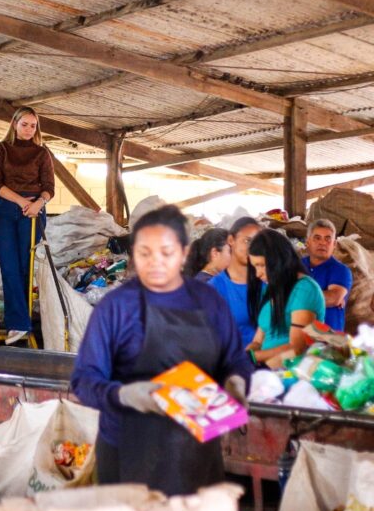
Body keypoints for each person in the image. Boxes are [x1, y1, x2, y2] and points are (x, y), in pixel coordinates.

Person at [71, 205, 252, 496]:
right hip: (128, 453)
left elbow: (235, 359)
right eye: (145, 253)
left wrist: (238, 382)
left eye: (165, 252)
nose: (155, 262)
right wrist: (122, 395)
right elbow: (84, 379)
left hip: (197, 452)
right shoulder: (115, 308)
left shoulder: (208, 301)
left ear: (183, 252)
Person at [0, 106, 54, 345]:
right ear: (14, 124)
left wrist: (38, 203)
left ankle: (19, 322)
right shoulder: (1, 149)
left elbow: (49, 186)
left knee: (25, 268)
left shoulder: (42, 153)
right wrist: (20, 201)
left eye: (33, 125)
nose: (28, 129)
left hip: (34, 211)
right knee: (9, 266)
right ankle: (19, 324)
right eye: (24, 124)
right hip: (7, 208)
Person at [247, 229, 326, 368]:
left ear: (278, 260)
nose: (257, 274)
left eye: (261, 265)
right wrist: (243, 356)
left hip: (291, 374)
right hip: (268, 372)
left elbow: (297, 348)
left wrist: (253, 358)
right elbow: (258, 341)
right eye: (255, 267)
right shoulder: (272, 290)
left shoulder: (304, 289)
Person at [210, 217, 263, 347]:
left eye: (256, 243)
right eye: (247, 241)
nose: (252, 248)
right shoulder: (214, 288)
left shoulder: (266, 281)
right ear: (231, 240)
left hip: (273, 360)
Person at [301, 219, 352, 332]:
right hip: (298, 337)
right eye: (317, 238)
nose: (322, 243)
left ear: (334, 244)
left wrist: (291, 294)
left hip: (328, 340)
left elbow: (333, 298)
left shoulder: (341, 270)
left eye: (328, 239)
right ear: (308, 242)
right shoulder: (296, 266)